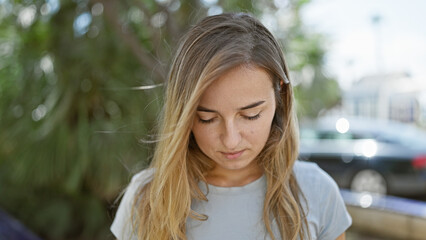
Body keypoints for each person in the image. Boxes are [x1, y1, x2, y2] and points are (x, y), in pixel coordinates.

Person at [110, 12, 352, 240]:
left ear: (280, 95)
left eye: (251, 115)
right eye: (207, 118)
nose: (231, 140)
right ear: (183, 114)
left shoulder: (319, 192)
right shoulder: (146, 197)